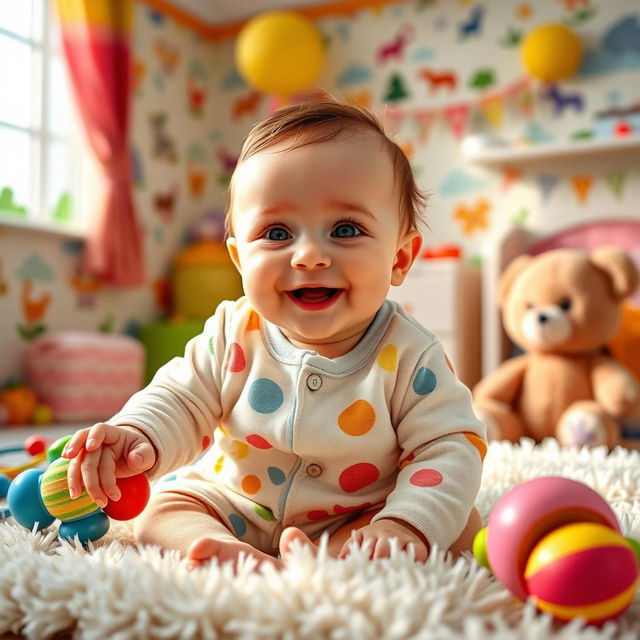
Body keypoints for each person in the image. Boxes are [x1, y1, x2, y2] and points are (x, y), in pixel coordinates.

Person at [62, 100, 486, 570]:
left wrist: (403, 526)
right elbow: (179, 398)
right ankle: (224, 552)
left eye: (345, 229)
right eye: (277, 232)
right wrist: (136, 436)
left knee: (458, 522)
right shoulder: (233, 332)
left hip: (357, 513)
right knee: (161, 509)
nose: (308, 255)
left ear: (400, 259)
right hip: (234, 502)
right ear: (240, 259)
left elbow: (449, 444)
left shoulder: (409, 353)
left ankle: (355, 553)